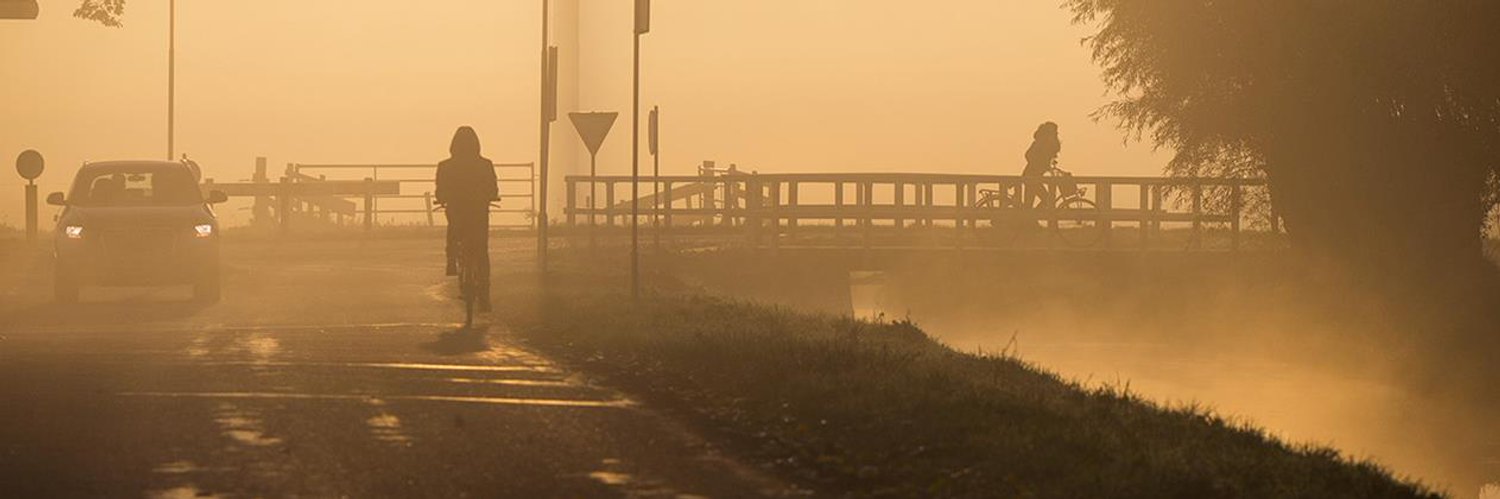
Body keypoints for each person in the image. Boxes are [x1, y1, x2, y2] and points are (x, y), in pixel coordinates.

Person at [435, 126, 499, 311]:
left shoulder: (445, 166)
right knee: (481, 251)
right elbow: (493, 189)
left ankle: (451, 259)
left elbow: (440, 190)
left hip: (457, 209)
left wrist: (442, 198)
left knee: (454, 229)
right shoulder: (485, 164)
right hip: (478, 211)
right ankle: (485, 297)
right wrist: (490, 196)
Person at [1022, 122, 1061, 211]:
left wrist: (1048, 164)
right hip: (1031, 176)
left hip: (1034, 176)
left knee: (1029, 204)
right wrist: (1039, 164)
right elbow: (1028, 155)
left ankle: (1030, 221)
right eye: (1054, 131)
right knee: (1047, 199)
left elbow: (1046, 158)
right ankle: (1032, 219)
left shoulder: (1047, 143)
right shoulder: (1040, 142)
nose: (1056, 133)